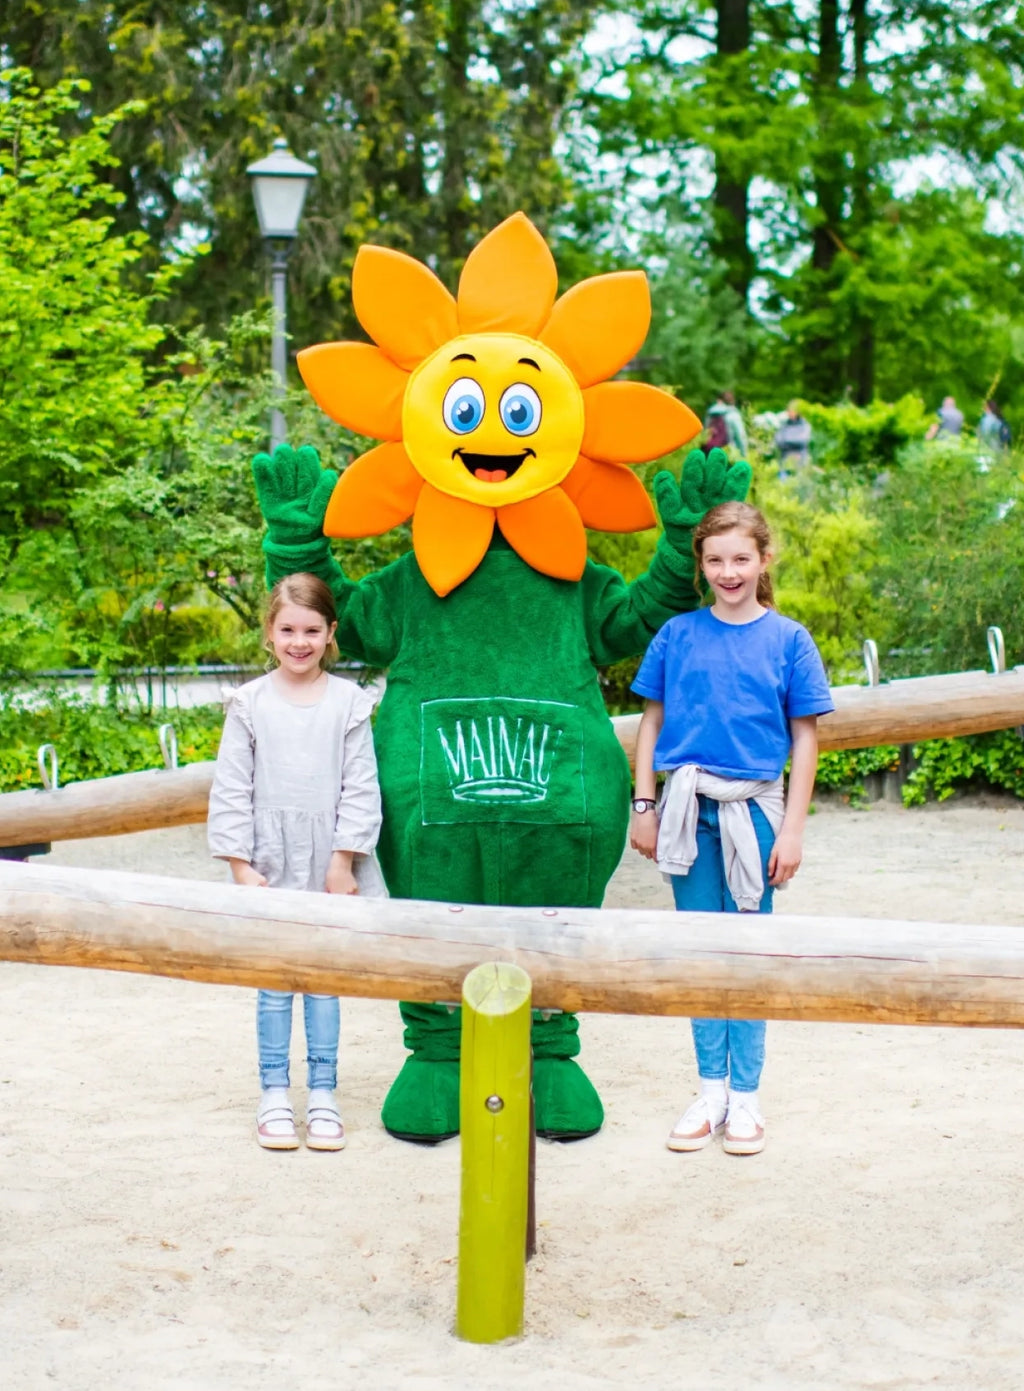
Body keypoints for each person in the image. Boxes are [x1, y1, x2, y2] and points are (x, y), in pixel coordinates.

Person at [628, 501, 834, 1156]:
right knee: (698, 949)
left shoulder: (789, 640)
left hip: (756, 812)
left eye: (741, 558)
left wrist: (793, 828)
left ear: (764, 559)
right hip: (687, 809)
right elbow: (651, 725)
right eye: (715, 559)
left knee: (747, 952)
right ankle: (710, 1089)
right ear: (702, 564)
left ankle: (745, 1096)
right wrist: (644, 805)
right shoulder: (677, 635)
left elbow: (805, 739)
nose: (728, 571)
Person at [208, 573, 385, 1152]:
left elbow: (361, 787)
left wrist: (344, 862)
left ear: (331, 633)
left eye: (312, 630)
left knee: (325, 979)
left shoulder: (348, 704)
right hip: (267, 860)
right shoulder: (249, 704)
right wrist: (239, 865)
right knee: (275, 981)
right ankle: (275, 1094)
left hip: (328, 860)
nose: (299, 642)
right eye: (288, 630)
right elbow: (232, 788)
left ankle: (325, 1093)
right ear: (269, 633)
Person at [704, 390, 748, 456]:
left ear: (719, 401)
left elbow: (705, 432)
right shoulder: (733, 414)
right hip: (728, 453)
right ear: (732, 401)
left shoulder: (711, 413)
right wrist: (744, 454)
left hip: (709, 451)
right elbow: (741, 436)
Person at [773, 401, 812, 471]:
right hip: (784, 461)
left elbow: (802, 441)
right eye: (788, 411)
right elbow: (778, 441)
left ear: (798, 412)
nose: (789, 413)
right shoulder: (784, 425)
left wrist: (786, 441)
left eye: (791, 411)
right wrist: (791, 443)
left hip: (800, 461)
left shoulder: (805, 425)